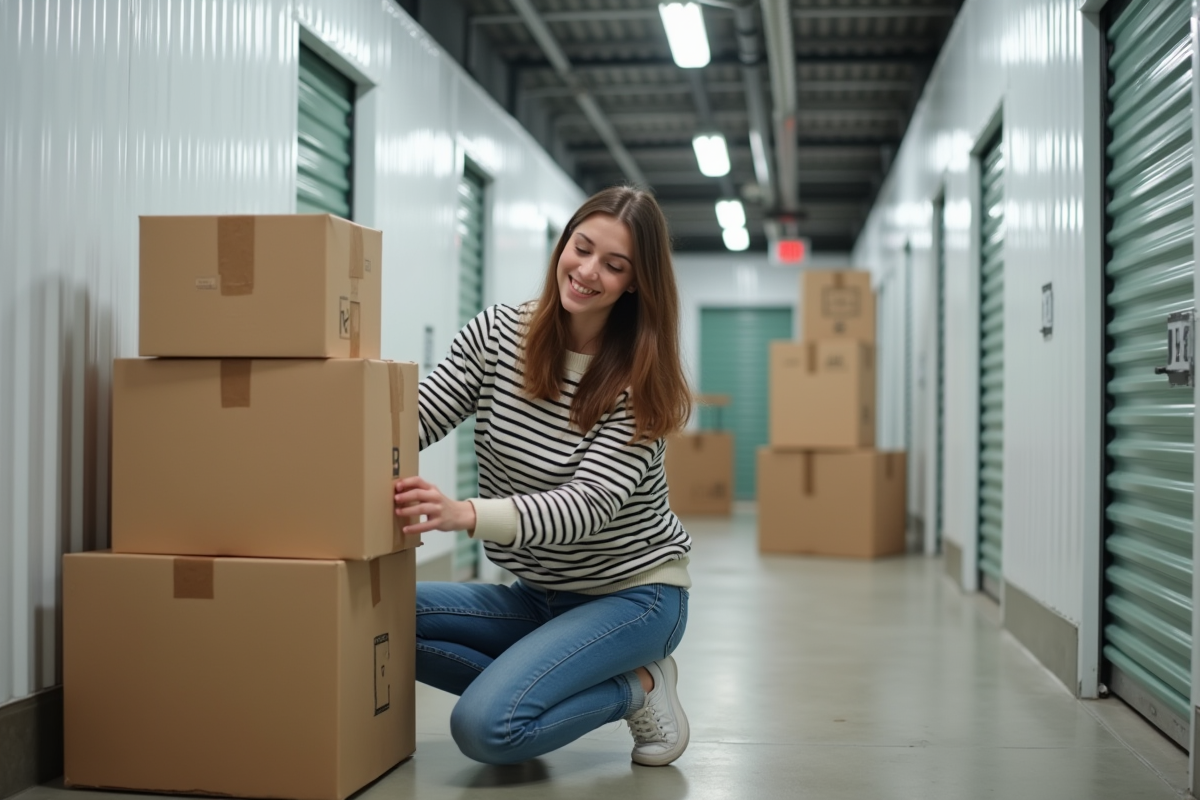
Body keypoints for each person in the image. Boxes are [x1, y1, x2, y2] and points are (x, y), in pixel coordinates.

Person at [393, 185, 694, 768]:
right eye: (581, 248)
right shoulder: (498, 334)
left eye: (614, 265)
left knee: (486, 728)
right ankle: (534, 681)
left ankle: (640, 686)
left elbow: (587, 506)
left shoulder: (641, 382)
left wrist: (465, 513)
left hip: (632, 597)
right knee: (374, 616)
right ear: (564, 243)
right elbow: (418, 419)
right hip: (536, 596)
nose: (586, 272)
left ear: (636, 282)